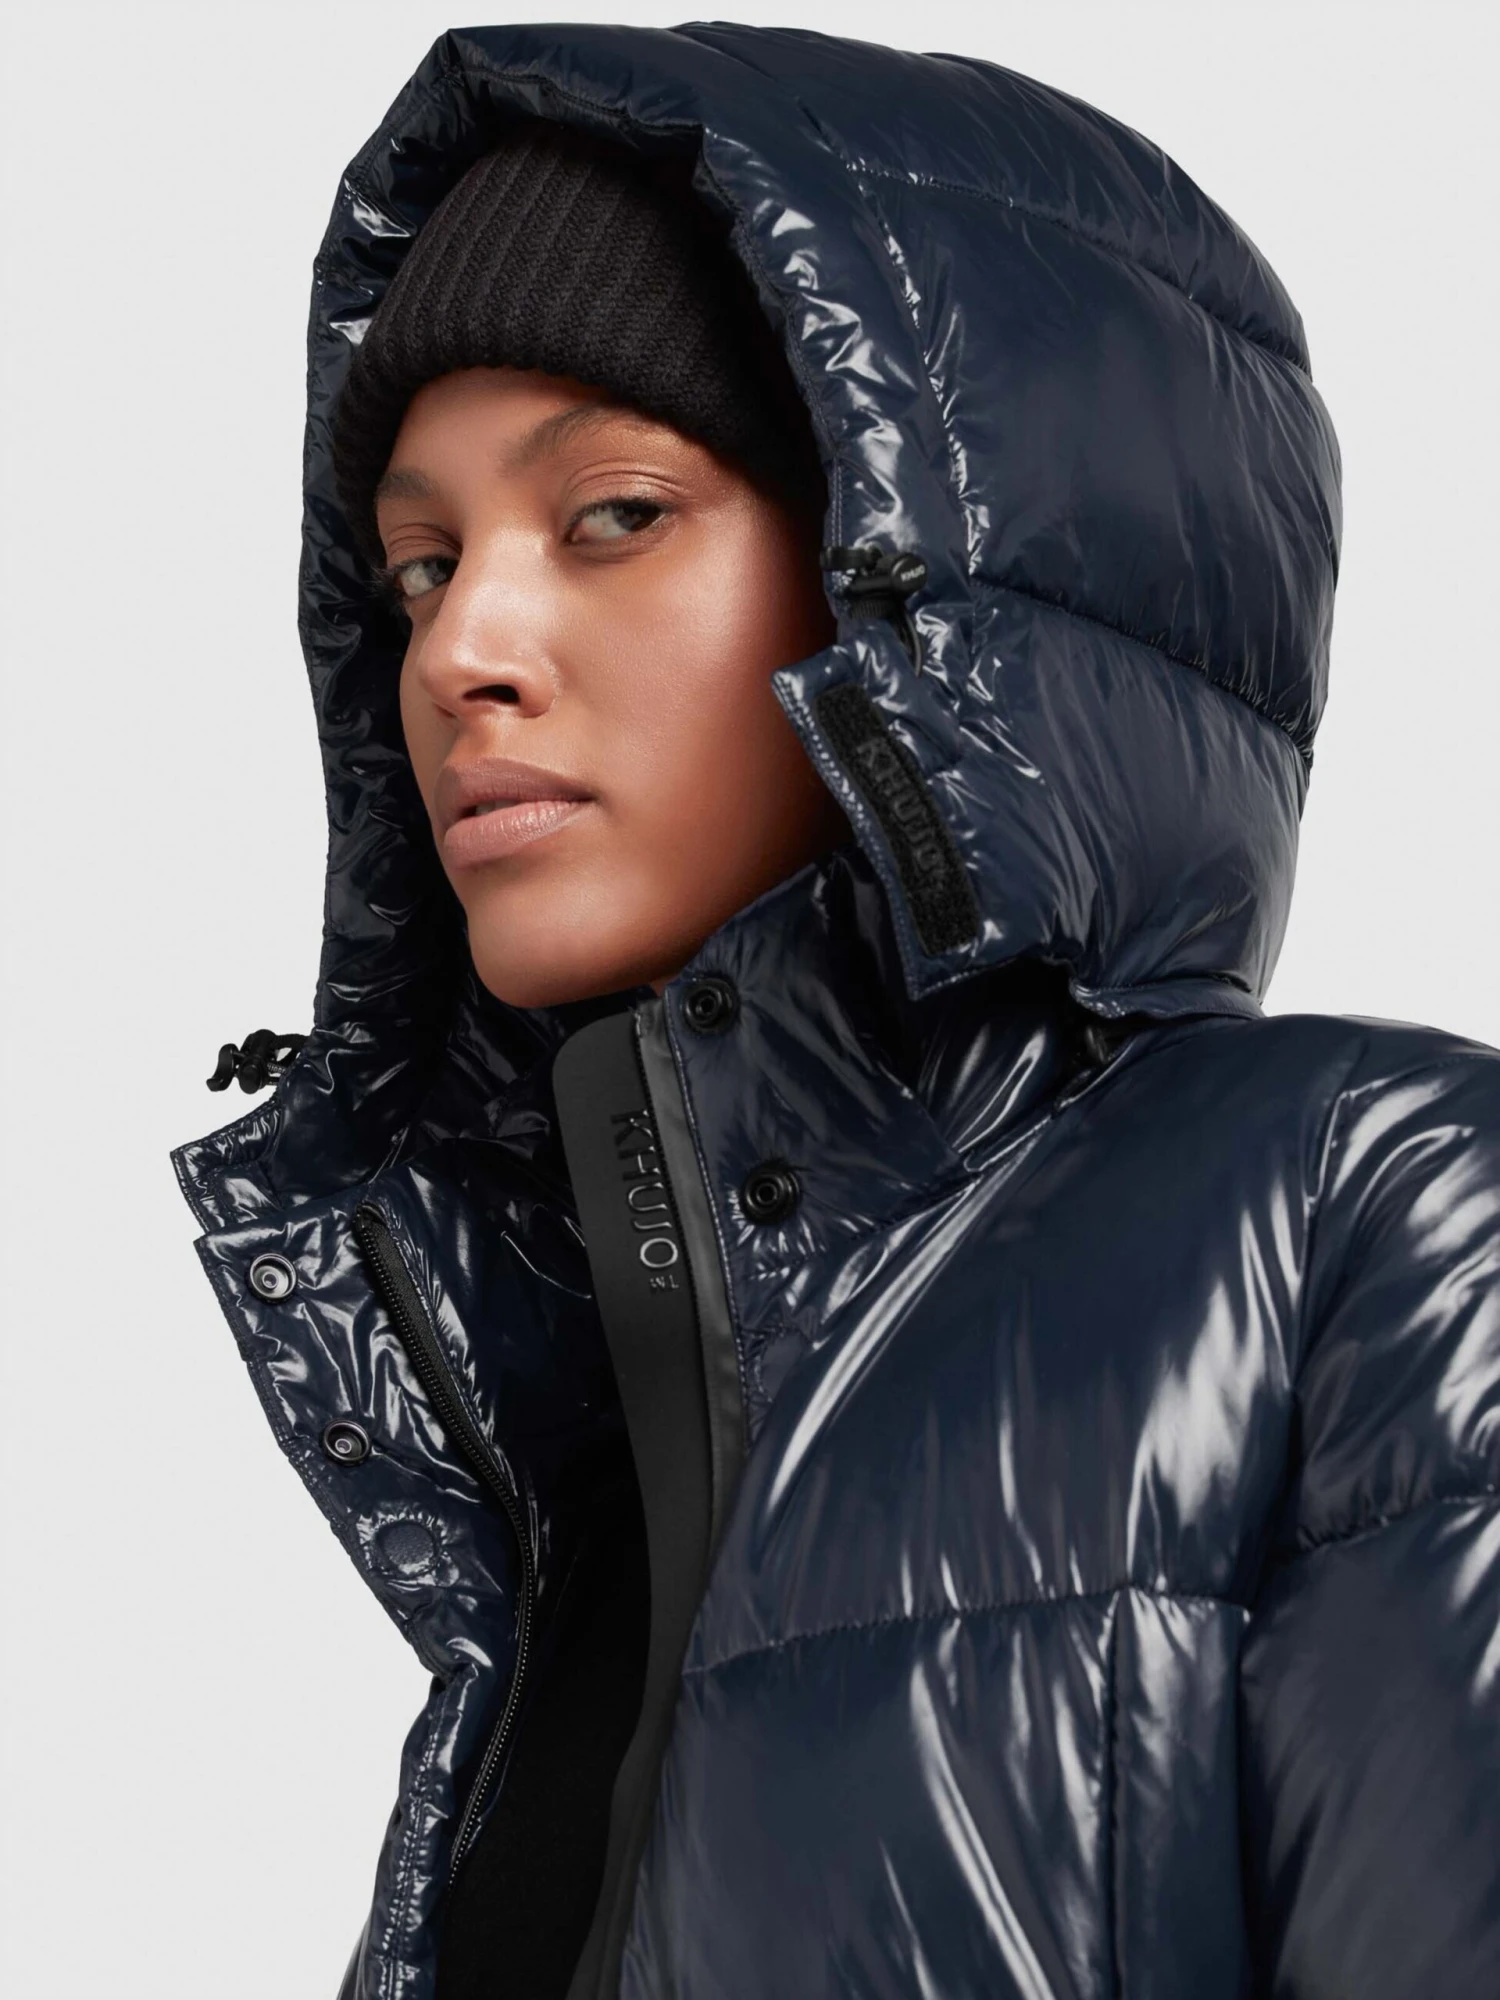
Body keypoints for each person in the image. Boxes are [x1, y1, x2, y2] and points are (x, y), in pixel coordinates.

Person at [172, 20, 1500, 2000]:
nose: (460, 650)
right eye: (422, 566)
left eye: (613, 514)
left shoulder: (1367, 1223)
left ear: (930, 601)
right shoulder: (570, 1485)